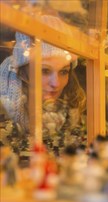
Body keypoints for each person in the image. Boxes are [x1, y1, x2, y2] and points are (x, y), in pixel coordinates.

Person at [0, 16, 86, 156]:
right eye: (44, 70)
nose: (56, 83)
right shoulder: (3, 110)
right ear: (23, 73)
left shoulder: (73, 110)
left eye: (64, 71)